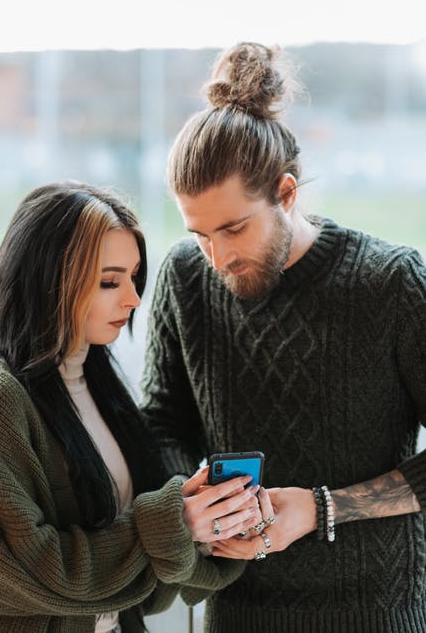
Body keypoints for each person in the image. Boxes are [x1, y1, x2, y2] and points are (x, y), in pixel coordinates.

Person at [141, 42, 426, 632]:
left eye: (234, 228)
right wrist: (196, 505)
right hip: (236, 612)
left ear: (287, 193)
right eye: (199, 233)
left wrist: (321, 508)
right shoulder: (184, 280)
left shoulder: (393, 284)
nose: (217, 257)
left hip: (374, 615)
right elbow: (163, 424)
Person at [0, 182, 262, 632]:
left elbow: (139, 572)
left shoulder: (99, 389)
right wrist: (172, 526)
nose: (133, 298)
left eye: (133, 277)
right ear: (49, 278)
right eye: (109, 281)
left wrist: (208, 534)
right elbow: (13, 572)